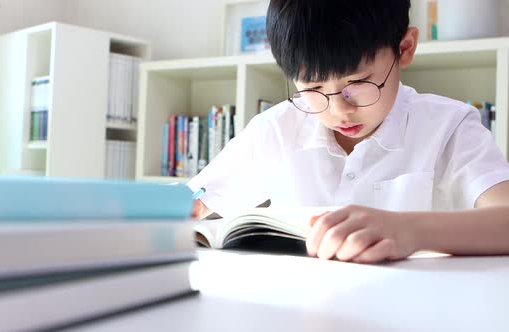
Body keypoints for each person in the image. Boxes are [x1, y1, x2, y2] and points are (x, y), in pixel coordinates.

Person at [187, 0, 509, 263]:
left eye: (357, 83)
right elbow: (193, 203)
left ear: (405, 48)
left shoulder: (448, 127)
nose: (339, 110)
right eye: (312, 87)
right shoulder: (275, 128)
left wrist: (408, 231)